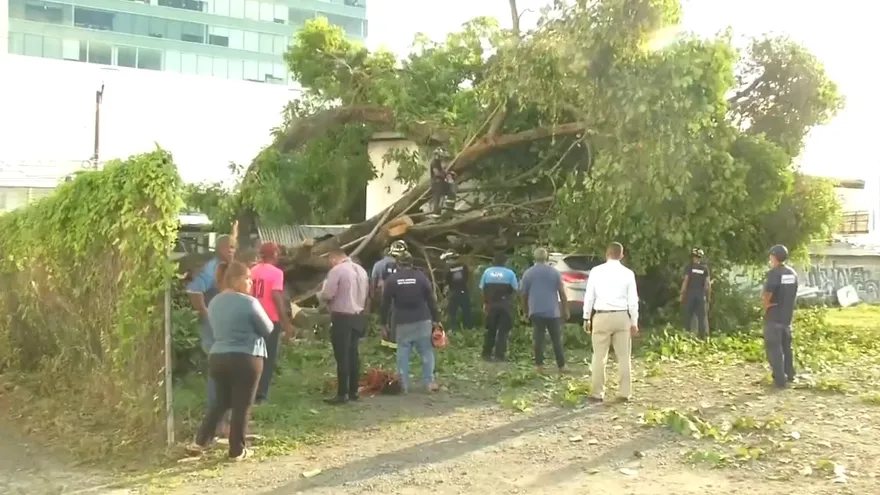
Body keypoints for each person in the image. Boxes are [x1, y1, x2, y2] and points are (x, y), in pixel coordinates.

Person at [186, 261, 273, 461]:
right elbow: (267, 328)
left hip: (218, 356)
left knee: (221, 402)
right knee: (242, 404)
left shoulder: (215, 302)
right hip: (246, 357)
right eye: (247, 278)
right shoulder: (249, 302)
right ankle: (237, 450)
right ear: (235, 280)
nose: (250, 282)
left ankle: (200, 441)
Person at [186, 234, 235, 436]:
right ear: (221, 248)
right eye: (230, 247)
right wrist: (208, 315)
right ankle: (217, 421)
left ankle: (226, 421)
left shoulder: (227, 268)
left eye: (234, 247)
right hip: (214, 332)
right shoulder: (212, 268)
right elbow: (194, 291)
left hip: (227, 332)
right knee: (217, 375)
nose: (233, 250)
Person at [582, 242, 639, 403]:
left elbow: (589, 296)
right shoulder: (628, 274)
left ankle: (597, 392)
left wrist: (586, 316)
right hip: (622, 316)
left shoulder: (596, 271)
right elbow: (633, 300)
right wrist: (634, 321)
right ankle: (625, 392)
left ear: (607, 253)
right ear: (621, 255)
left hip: (601, 315)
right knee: (624, 356)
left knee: (599, 356)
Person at [381, 251, 441, 393]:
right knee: (426, 352)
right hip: (423, 320)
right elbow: (431, 299)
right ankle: (429, 382)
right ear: (412, 263)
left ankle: (404, 385)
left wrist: (383, 323)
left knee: (403, 353)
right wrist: (437, 320)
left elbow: (385, 304)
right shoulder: (421, 277)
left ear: (398, 264)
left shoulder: (392, 280)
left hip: (402, 322)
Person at [317, 249, 369, 405]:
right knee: (354, 354)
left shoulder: (337, 270)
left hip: (342, 316)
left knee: (342, 356)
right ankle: (354, 391)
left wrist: (319, 295)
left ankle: (342, 393)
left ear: (333, 258)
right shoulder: (361, 270)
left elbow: (328, 294)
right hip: (358, 315)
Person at [250, 242, 296, 404]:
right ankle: (261, 394)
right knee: (268, 357)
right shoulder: (276, 273)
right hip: (270, 319)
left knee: (253, 355)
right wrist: (286, 322)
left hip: (252, 318)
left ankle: (250, 391)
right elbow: (276, 296)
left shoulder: (252, 271)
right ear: (274, 254)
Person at [521, 247, 569, 373]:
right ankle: (561, 365)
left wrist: (525, 311)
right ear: (547, 258)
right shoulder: (554, 272)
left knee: (538, 338)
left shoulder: (528, 273)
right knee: (556, 339)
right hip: (552, 311)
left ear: (534, 258)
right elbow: (562, 293)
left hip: (536, 310)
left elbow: (523, 295)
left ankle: (539, 365)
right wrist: (565, 309)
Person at [762, 244, 798, 389]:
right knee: (786, 347)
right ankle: (790, 375)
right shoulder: (792, 273)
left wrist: (765, 306)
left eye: (771, 256)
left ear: (774, 256)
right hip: (787, 317)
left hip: (774, 317)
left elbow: (767, 296)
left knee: (773, 348)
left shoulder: (774, 274)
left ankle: (779, 379)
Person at [479, 252, 519, 361]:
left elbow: (482, 289)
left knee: (490, 329)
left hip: (491, 305)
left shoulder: (487, 272)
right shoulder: (510, 273)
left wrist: (486, 302)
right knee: (503, 331)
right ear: (505, 262)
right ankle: (499, 355)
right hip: (505, 305)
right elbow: (515, 289)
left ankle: (486, 354)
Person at [374, 240, 407, 349]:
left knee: (387, 319)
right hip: (399, 298)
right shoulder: (403, 266)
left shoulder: (387, 265)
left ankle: (386, 343)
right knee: (395, 321)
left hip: (388, 296)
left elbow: (382, 283)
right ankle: (394, 345)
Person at [680, 247, 711, 338]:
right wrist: (708, 297)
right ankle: (704, 337)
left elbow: (686, 281)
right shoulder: (704, 269)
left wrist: (682, 294)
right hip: (701, 294)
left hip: (691, 294)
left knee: (688, 314)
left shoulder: (689, 267)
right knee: (702, 316)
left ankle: (687, 335)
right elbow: (707, 284)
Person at [441, 250, 472, 332]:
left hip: (454, 292)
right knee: (467, 311)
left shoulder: (448, 269)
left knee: (452, 313)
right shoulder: (463, 266)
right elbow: (466, 277)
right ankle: (468, 329)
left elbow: (446, 281)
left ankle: (453, 329)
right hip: (464, 290)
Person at [429, 148, 451, 216]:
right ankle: (435, 213)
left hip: (440, 182)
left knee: (445, 195)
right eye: (440, 156)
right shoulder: (434, 162)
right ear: (437, 155)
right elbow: (437, 173)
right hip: (436, 183)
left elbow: (441, 170)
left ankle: (442, 211)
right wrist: (444, 175)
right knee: (437, 198)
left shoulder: (438, 162)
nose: (441, 157)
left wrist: (446, 172)